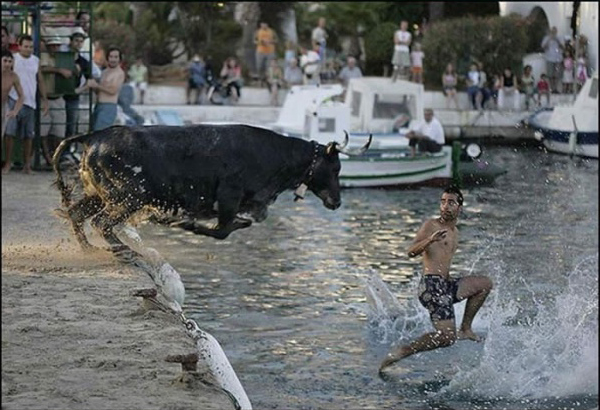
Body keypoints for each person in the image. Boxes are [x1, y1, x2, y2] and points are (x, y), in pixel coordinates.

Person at [379, 186, 493, 373]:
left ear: (459, 207)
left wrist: (450, 282)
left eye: (450, 202)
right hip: (431, 286)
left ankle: (465, 328)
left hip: (445, 284)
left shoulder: (455, 232)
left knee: (484, 285)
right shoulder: (431, 226)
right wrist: (430, 240)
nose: (445, 206)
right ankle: (402, 352)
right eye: (443, 201)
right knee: (447, 338)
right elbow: (411, 252)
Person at [3, 35, 49, 174]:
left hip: (30, 101)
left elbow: (40, 80)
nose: (28, 49)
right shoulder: (14, 59)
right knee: (9, 133)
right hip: (13, 98)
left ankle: (27, 165)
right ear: (19, 45)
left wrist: (45, 99)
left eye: (30, 47)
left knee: (29, 135)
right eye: (26, 46)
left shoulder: (35, 60)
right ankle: (8, 163)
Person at [40, 36, 71, 166]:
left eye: (57, 45)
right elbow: (41, 69)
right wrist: (58, 70)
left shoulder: (63, 59)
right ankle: (48, 158)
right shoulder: (43, 57)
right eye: (52, 45)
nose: (55, 48)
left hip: (58, 97)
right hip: (45, 97)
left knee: (59, 131)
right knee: (44, 131)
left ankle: (54, 158)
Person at [86, 46, 125, 131]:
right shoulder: (104, 72)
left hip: (108, 107)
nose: (113, 59)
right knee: (92, 131)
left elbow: (113, 91)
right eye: (111, 57)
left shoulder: (119, 73)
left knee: (100, 133)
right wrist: (92, 86)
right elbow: (99, 91)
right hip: (98, 105)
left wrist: (97, 85)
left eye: (116, 57)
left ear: (119, 59)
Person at [63, 29, 91, 140]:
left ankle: (67, 153)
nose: (78, 43)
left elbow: (91, 81)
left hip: (73, 97)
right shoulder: (62, 58)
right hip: (59, 95)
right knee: (57, 127)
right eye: (76, 41)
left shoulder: (83, 61)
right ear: (71, 41)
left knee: (71, 126)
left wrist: (80, 89)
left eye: (81, 41)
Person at [2, 48, 24, 139]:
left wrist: (15, 111)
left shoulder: (13, 76)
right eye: (5, 61)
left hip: (3, 107)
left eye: (10, 61)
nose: (7, 64)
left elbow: (21, 96)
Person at [541, 26, 564, 93]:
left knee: (557, 75)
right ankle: (551, 88)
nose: (553, 32)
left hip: (558, 59)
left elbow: (563, 47)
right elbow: (543, 47)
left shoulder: (560, 37)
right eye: (552, 31)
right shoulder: (546, 38)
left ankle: (556, 88)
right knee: (550, 74)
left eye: (555, 31)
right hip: (549, 58)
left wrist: (557, 40)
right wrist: (549, 39)